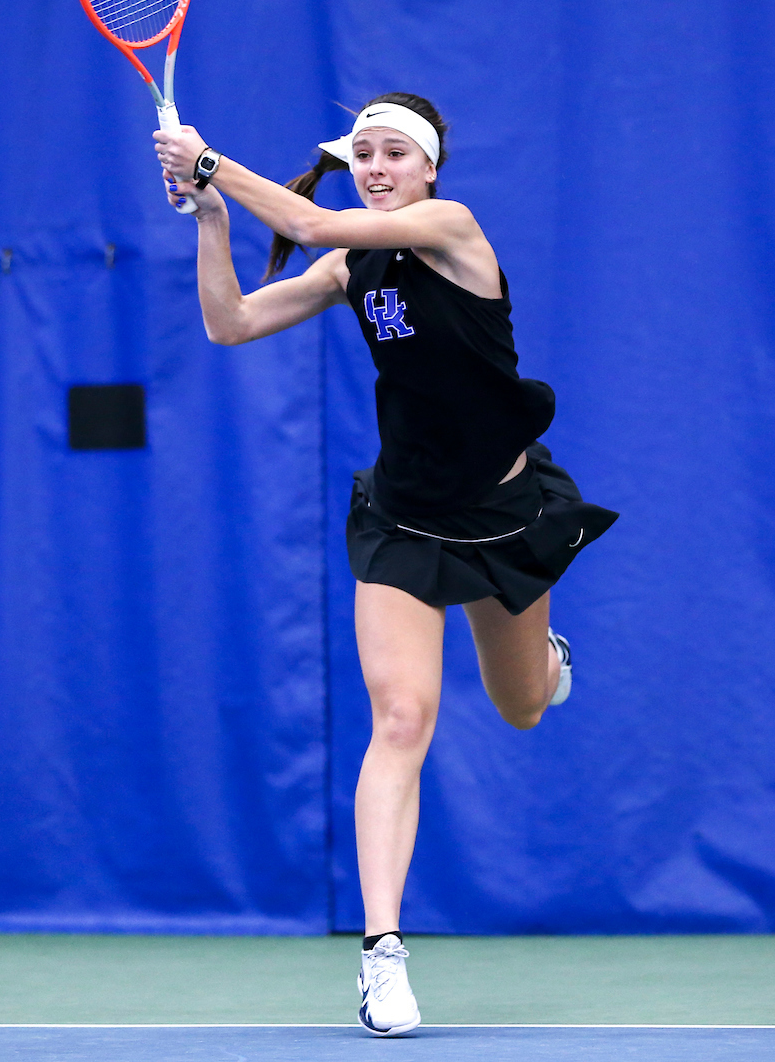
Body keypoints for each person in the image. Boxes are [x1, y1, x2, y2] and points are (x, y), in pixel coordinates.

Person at [153, 93, 618, 1037]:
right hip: (405, 521)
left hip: (504, 515)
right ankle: (383, 957)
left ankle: (548, 660)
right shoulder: (349, 266)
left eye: (393, 154)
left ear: (429, 169)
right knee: (401, 717)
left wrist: (210, 164)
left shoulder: (453, 230)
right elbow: (231, 323)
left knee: (523, 704)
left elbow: (308, 214)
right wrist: (211, 219)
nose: (374, 166)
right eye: (361, 153)